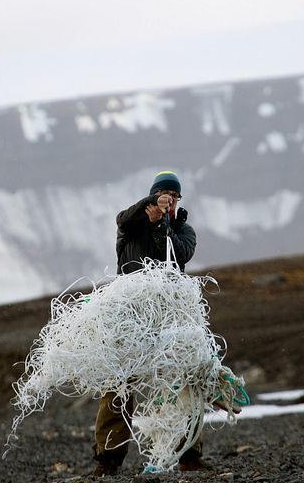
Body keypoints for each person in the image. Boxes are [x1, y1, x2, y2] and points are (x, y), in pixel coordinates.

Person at [92, 171, 206, 477]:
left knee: (184, 379)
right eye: (163, 194)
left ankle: (189, 455)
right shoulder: (130, 227)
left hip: (169, 316)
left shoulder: (184, 231)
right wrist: (150, 208)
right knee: (119, 383)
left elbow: (178, 254)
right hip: (130, 317)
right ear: (153, 196)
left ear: (179, 200)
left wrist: (161, 225)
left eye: (174, 196)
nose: (169, 200)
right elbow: (123, 219)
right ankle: (107, 460)